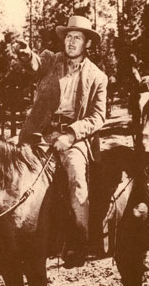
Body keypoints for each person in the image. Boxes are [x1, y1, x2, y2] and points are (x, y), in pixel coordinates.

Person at [13, 15, 107, 268]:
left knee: (77, 177)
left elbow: (98, 117)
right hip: (41, 133)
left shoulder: (98, 77)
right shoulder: (51, 60)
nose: (71, 41)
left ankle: (80, 240)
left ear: (87, 43)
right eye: (68, 36)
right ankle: (16, 230)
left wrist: (71, 135)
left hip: (74, 139)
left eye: (77, 37)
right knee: (15, 169)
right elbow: (34, 63)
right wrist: (25, 53)